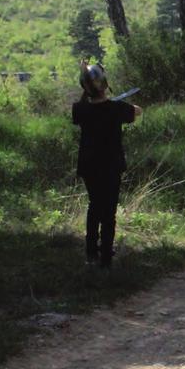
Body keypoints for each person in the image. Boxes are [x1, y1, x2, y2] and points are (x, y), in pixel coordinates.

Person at [72, 61, 142, 269]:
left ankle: (91, 252)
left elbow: (84, 103)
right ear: (104, 83)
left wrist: (85, 77)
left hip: (89, 166)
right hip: (110, 165)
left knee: (94, 207)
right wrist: (113, 102)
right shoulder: (116, 108)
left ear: (84, 87)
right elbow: (137, 111)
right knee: (108, 211)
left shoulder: (80, 109)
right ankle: (105, 257)